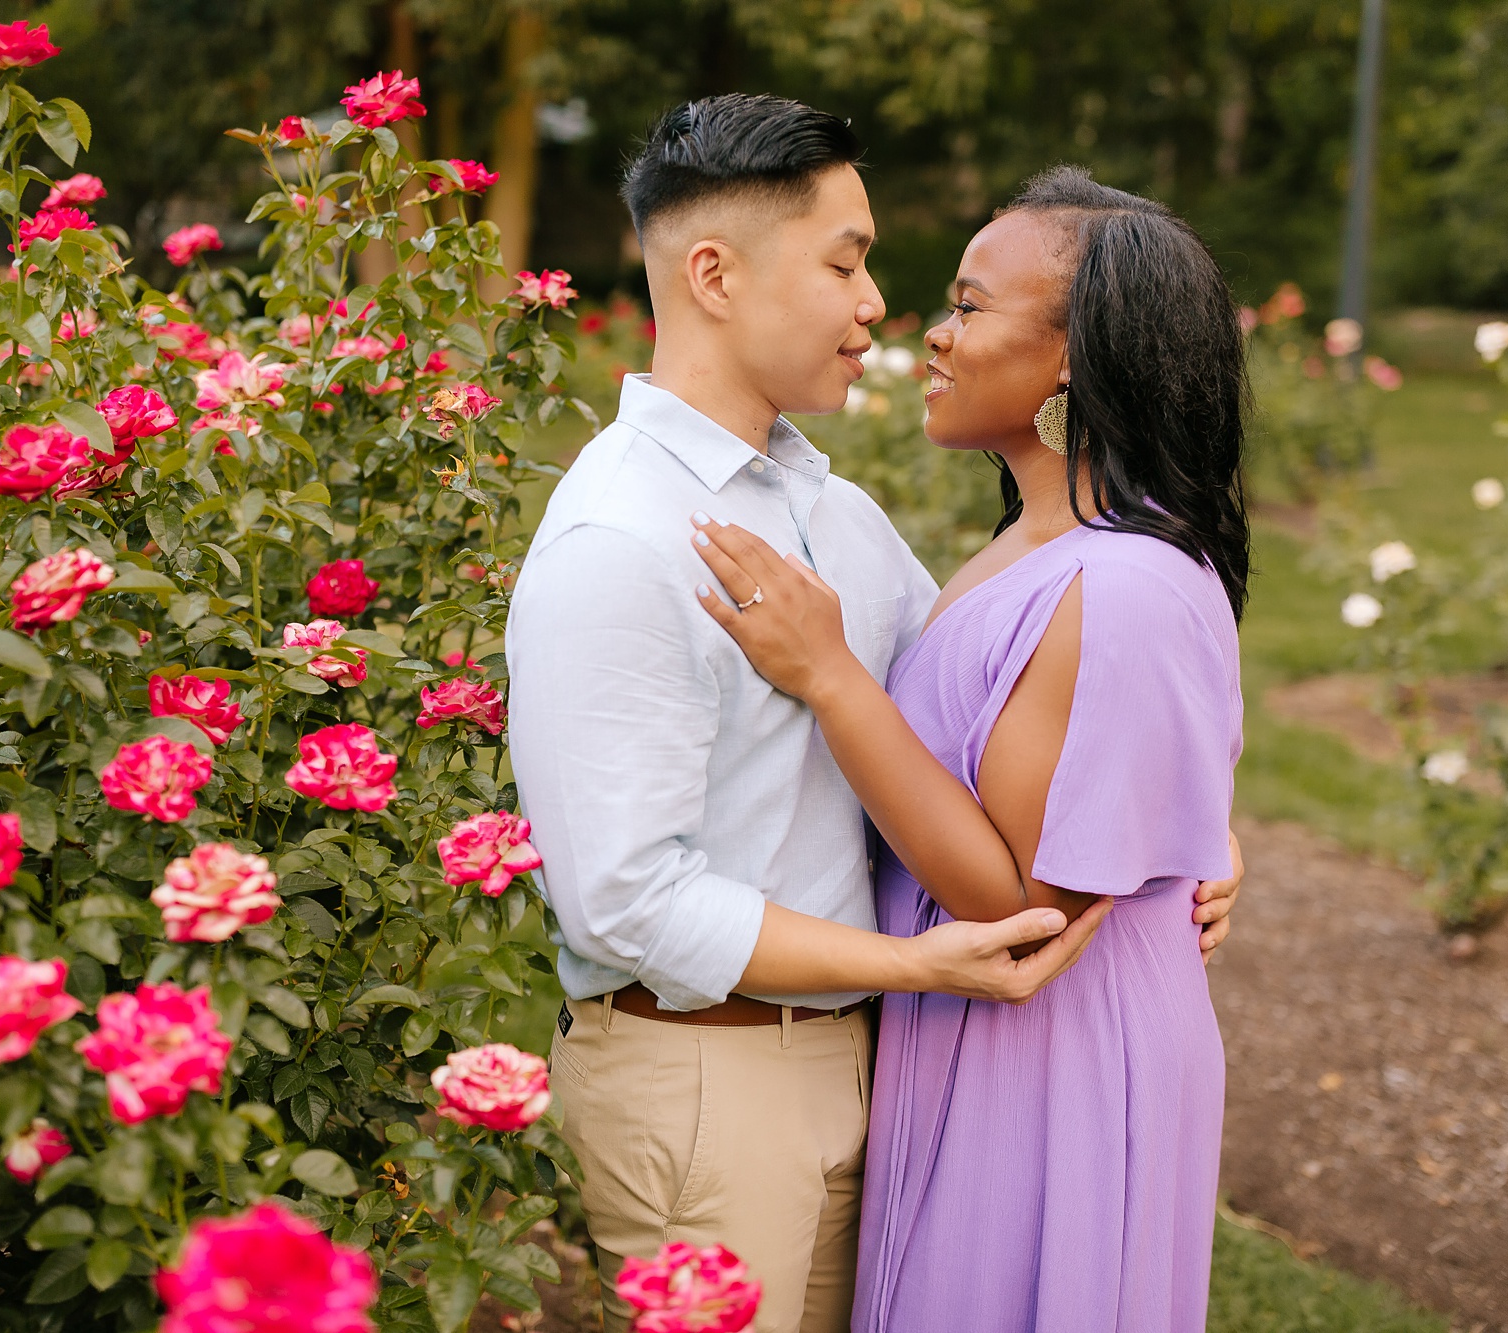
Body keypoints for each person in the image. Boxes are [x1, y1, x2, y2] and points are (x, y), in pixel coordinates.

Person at [506, 98, 1242, 1333]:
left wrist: (1183, 829)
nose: (876, 305)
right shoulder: (616, 542)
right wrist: (907, 963)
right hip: (711, 1078)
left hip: (875, 1056)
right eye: (845, 262)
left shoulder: (829, 509)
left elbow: (1030, 699)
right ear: (713, 275)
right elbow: (623, 898)